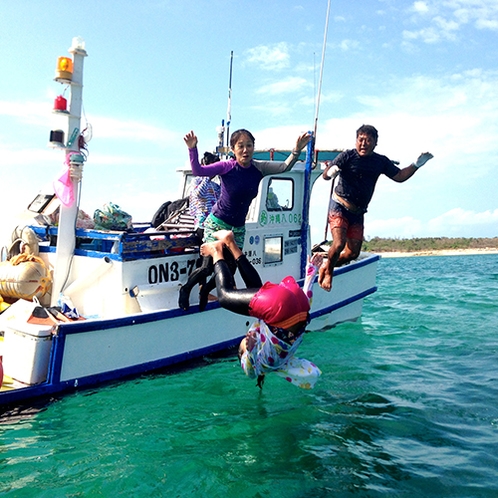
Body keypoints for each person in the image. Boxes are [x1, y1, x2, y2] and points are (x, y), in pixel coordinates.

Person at [179, 128, 311, 311]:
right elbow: (198, 170)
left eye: (249, 145)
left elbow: (284, 167)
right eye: (240, 146)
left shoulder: (258, 168)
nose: (245, 150)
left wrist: (296, 151)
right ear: (233, 149)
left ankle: (204, 292)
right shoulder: (227, 167)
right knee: (209, 268)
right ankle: (186, 289)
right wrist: (192, 149)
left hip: (238, 228)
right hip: (217, 223)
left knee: (230, 271)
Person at [200, 230, 322, 389]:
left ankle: (230, 243)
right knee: (224, 297)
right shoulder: (262, 364)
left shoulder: (287, 354)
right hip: (280, 308)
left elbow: (304, 306)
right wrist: (250, 350)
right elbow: (251, 372)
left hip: (299, 304)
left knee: (256, 291)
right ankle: (217, 251)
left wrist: (311, 274)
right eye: (241, 345)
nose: (244, 340)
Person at [319, 124, 433, 292]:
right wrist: (331, 171)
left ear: (375, 143)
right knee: (339, 243)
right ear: (356, 140)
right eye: (361, 140)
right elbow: (325, 176)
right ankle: (329, 273)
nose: (363, 144)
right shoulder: (347, 156)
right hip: (339, 206)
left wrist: (416, 165)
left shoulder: (380, 161)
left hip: (358, 212)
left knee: (353, 254)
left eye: (368, 140)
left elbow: (400, 177)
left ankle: (326, 265)